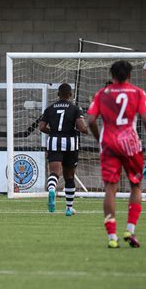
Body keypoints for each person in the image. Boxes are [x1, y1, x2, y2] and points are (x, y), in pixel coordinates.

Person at [87, 60, 146, 248]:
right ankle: (130, 229)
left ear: (112, 76)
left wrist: (99, 139)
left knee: (110, 190)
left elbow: (90, 120)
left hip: (109, 146)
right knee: (135, 186)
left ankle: (112, 237)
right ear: (129, 75)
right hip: (131, 145)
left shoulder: (101, 94)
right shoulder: (138, 92)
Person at [38, 83, 88, 216]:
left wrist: (53, 132)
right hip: (71, 144)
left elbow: (41, 127)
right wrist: (85, 129)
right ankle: (68, 208)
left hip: (54, 142)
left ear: (58, 94)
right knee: (69, 176)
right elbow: (82, 128)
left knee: (54, 172)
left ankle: (52, 189)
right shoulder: (75, 108)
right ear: (70, 95)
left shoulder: (50, 109)